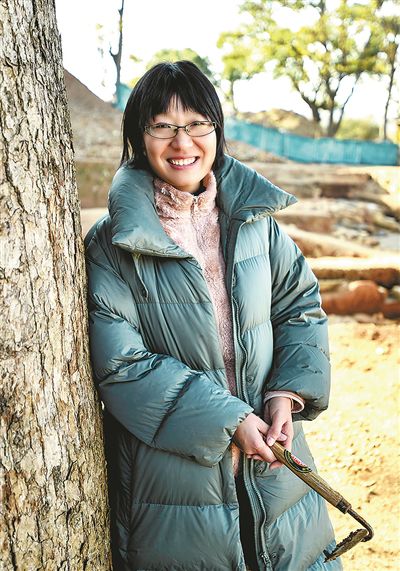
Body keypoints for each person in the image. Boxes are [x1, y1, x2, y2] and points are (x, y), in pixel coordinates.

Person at [84, 60, 342, 571]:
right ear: (139, 137)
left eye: (197, 123)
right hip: (173, 483)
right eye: (162, 126)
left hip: (276, 463)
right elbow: (122, 365)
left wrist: (285, 396)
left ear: (217, 130)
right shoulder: (111, 245)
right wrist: (230, 420)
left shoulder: (256, 225)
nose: (182, 142)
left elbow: (299, 308)